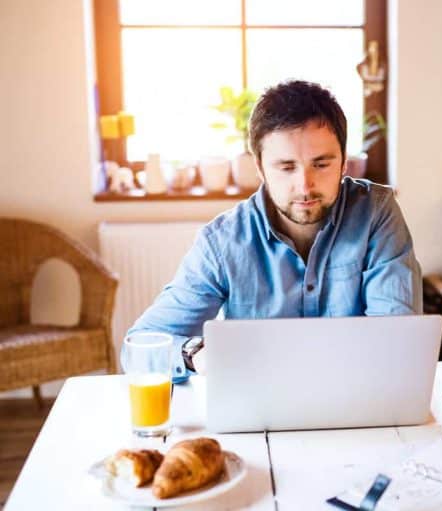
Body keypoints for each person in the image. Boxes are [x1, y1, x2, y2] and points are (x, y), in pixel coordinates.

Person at [127, 80, 422, 373]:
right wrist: (195, 354)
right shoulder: (222, 242)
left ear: (344, 162)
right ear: (259, 167)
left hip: (360, 404)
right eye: (286, 167)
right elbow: (138, 349)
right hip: (258, 415)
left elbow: (397, 341)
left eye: (321, 164)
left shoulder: (376, 213)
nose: (304, 185)